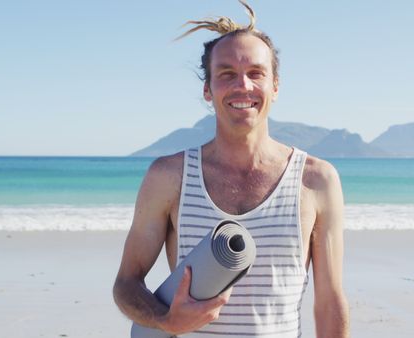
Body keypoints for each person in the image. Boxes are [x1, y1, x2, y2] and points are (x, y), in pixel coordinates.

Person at [113, 1, 349, 337]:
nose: (243, 86)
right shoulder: (169, 177)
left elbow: (329, 302)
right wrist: (164, 321)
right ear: (207, 90)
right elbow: (126, 284)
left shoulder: (315, 180)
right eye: (226, 74)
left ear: (275, 86)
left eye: (256, 73)